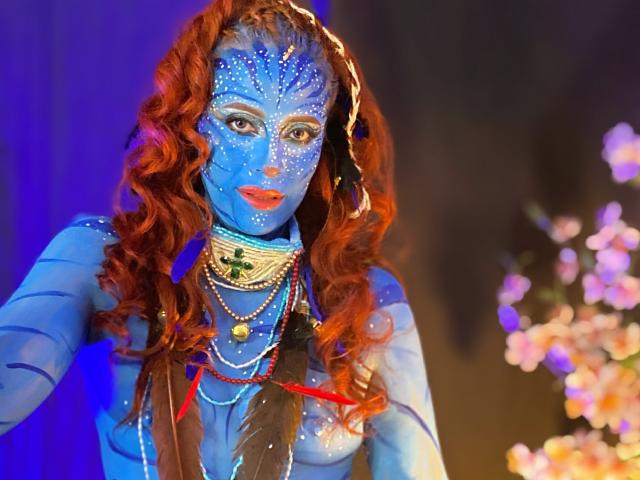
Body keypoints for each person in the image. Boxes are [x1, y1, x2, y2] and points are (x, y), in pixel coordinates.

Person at [0, 1, 449, 479]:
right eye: (241, 123)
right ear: (190, 123)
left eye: (299, 132)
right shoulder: (107, 262)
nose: (271, 162)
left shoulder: (366, 307)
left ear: (327, 146)